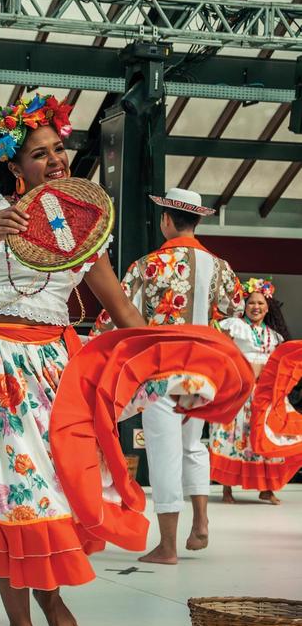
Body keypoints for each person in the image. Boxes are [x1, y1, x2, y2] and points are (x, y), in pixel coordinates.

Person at [0, 92, 147, 626]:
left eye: (59, 149)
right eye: (39, 154)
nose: (55, 161)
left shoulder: (82, 225)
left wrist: (162, 357)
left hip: (51, 370)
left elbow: (122, 309)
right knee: (1, 495)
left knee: (48, 490)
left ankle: (50, 598)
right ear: (12, 163)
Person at [92, 187, 244, 565]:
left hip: (162, 373)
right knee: (193, 446)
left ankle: (167, 546)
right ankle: (202, 522)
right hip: (203, 374)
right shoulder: (221, 267)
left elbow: (116, 312)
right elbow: (236, 307)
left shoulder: (148, 266)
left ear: (166, 220)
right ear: (196, 221)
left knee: (163, 452)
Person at [210, 278, 296, 504]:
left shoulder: (275, 336)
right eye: (251, 303)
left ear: (268, 307)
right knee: (233, 436)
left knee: (266, 436)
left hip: (264, 393)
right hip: (239, 391)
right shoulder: (234, 326)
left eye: (260, 303)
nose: (255, 307)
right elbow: (222, 354)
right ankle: (226, 489)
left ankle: (266, 488)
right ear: (244, 306)